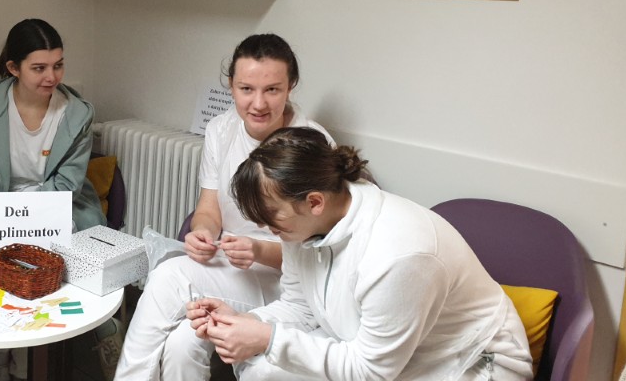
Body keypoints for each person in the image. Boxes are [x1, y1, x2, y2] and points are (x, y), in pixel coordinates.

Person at [188, 127, 533, 381]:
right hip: (386, 352)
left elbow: (371, 372)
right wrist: (247, 323)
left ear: (314, 202)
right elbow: (300, 307)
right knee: (262, 371)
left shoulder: (397, 254)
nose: (265, 228)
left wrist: (267, 338)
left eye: (271, 217)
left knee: (270, 358)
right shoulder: (304, 226)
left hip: (470, 365)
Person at [115, 34, 334, 381]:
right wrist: (202, 233)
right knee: (182, 343)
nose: (258, 103)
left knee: (168, 276)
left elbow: (322, 256)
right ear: (231, 85)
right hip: (228, 269)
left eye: (272, 90)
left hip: (287, 284)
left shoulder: (311, 144)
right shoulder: (221, 129)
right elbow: (208, 209)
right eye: (246, 89)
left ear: (291, 86)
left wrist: (258, 250)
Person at [0, 18, 109, 380]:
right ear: (13, 68)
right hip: (0, 206)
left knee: (39, 277)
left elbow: (67, 183)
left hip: (60, 205)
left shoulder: (77, 114)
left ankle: (27, 365)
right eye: (39, 68)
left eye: (58, 65)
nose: (51, 77)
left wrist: (27, 217)